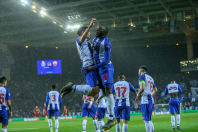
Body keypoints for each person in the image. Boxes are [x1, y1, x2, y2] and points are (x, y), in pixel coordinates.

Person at [60, 18, 100, 98]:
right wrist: (90, 26)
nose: (90, 33)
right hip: (89, 66)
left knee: (94, 92)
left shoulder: (87, 42)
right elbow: (82, 39)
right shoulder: (80, 39)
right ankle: (71, 87)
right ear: (83, 32)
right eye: (88, 32)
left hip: (87, 65)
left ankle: (71, 89)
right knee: (95, 89)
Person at [85, 26, 116, 130]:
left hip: (106, 68)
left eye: (100, 29)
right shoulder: (94, 39)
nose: (97, 30)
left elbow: (106, 61)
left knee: (108, 90)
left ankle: (112, 118)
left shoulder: (107, 43)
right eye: (97, 29)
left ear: (104, 32)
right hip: (98, 69)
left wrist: (92, 67)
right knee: (102, 90)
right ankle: (110, 117)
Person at [135, 66, 157, 132]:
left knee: (146, 120)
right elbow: (155, 90)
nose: (138, 72)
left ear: (141, 70)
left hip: (145, 100)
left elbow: (142, 88)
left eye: (139, 70)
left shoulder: (142, 77)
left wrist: (137, 96)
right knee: (148, 119)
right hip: (150, 99)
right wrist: (150, 95)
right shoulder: (151, 78)